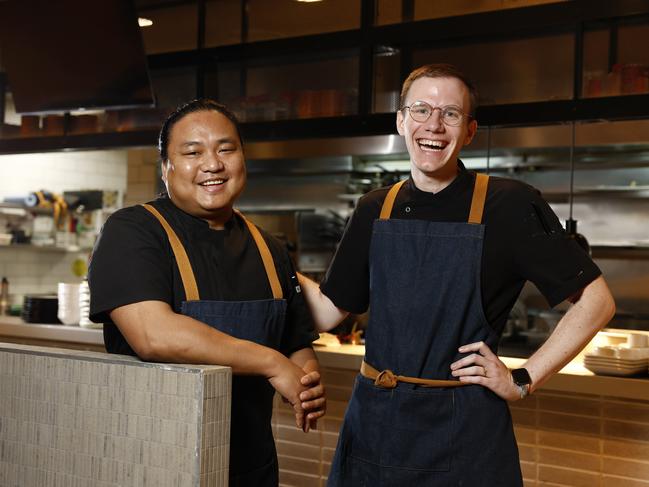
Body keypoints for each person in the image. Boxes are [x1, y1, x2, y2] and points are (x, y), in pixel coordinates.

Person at [297, 64, 615, 486]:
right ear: (401, 121)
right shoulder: (373, 208)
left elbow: (597, 301)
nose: (434, 125)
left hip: (466, 431)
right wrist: (268, 255)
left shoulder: (510, 204)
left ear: (469, 130)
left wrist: (523, 378)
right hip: (377, 424)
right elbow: (326, 311)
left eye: (450, 114)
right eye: (422, 110)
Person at [89, 99, 326, 487]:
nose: (213, 164)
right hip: (156, 466)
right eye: (192, 152)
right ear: (166, 168)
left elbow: (295, 342)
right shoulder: (134, 231)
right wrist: (272, 363)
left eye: (226, 149)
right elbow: (153, 335)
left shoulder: (270, 249)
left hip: (251, 467)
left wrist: (306, 379)